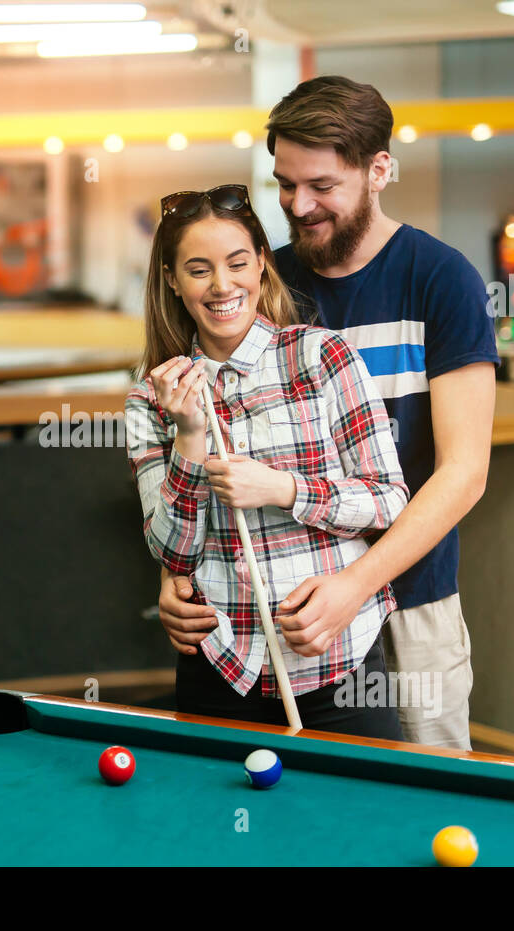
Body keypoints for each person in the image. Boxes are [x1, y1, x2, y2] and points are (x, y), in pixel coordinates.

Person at [157, 76, 499, 750]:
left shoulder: (440, 279)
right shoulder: (263, 281)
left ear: (379, 170)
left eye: (321, 185)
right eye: (285, 184)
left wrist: (354, 585)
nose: (299, 205)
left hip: (412, 601)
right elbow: (205, 442)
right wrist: (173, 576)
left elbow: (464, 473)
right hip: (280, 616)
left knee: (424, 804)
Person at [125, 183, 410, 738]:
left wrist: (283, 488)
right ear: (172, 280)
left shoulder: (322, 356)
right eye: (198, 269)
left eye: (237, 263)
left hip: (340, 660)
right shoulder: (150, 395)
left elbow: (388, 499)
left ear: (261, 264)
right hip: (220, 668)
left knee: (362, 821)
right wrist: (189, 436)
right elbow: (171, 552)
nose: (222, 285)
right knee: (213, 823)